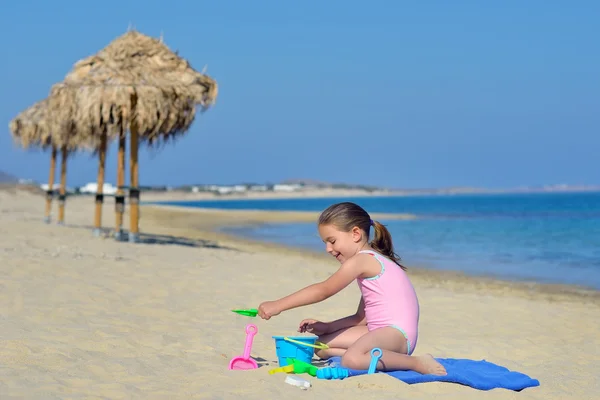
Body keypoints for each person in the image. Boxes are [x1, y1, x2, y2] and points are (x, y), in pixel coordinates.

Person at [257, 201, 446, 375]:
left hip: (397, 335)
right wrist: (328, 326)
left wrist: (278, 305)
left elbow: (324, 290)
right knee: (321, 347)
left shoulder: (362, 260)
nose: (328, 249)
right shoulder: (370, 260)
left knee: (352, 360)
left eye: (332, 241)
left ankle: (416, 363)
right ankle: (369, 354)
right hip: (377, 331)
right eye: (325, 243)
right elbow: (360, 318)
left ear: (355, 234)